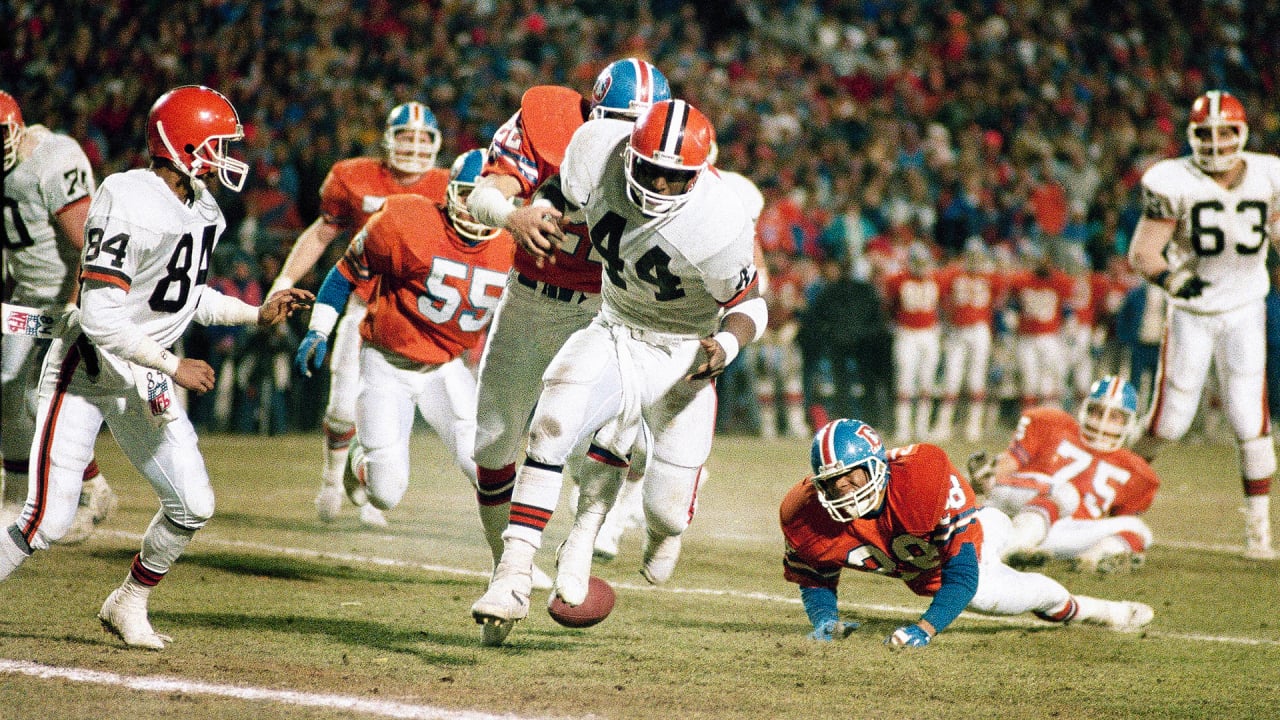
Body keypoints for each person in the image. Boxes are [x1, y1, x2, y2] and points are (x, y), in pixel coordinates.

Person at [0, 85, 313, 650]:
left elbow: (187, 297)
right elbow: (98, 317)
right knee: (47, 519)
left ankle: (128, 600)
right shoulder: (127, 195)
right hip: (88, 374)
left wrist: (255, 314)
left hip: (141, 379)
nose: (228, 158)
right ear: (184, 144)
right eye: (218, 145)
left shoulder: (203, 207)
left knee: (193, 504)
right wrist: (173, 363)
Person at [471, 99, 766, 646]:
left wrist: (726, 343)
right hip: (614, 323)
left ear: (698, 175)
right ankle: (513, 573)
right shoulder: (596, 147)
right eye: (649, 167)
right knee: (554, 421)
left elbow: (753, 305)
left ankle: (642, 533)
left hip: (681, 352)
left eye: (674, 176)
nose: (658, 183)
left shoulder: (720, 221)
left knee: (667, 512)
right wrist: (538, 209)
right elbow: (565, 195)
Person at [466, 59, 670, 587]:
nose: (622, 142)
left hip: (606, 311)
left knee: (612, 437)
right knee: (493, 439)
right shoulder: (548, 119)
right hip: (533, 300)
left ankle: (590, 536)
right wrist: (511, 215)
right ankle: (505, 566)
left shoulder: (664, 154)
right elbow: (481, 192)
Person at [295, 149, 514, 553]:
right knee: (385, 494)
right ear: (450, 194)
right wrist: (319, 330)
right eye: (468, 194)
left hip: (447, 369)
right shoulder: (405, 220)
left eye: (489, 197)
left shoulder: (517, 243)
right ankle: (359, 459)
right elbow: (344, 274)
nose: (476, 207)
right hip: (387, 364)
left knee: (486, 466)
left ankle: (514, 560)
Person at [781, 418, 1154, 647]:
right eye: (833, 483)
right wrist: (824, 619)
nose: (845, 490)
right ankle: (1033, 545)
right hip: (931, 571)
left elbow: (961, 576)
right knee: (1033, 583)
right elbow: (816, 571)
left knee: (1041, 591)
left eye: (853, 477)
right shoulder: (804, 512)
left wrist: (925, 628)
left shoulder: (920, 476)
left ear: (878, 466)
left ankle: (1105, 611)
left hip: (968, 553)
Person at [269, 101, 448, 528]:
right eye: (406, 136)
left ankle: (371, 489)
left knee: (394, 408)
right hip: (363, 305)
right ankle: (333, 478)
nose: (414, 146)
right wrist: (284, 278)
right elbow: (320, 233)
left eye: (423, 138)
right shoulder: (355, 177)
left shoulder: (449, 185)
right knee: (342, 409)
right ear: (388, 138)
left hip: (419, 317)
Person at [1128, 90, 1279, 560]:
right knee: (1169, 422)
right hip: (1192, 311)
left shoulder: (1270, 174)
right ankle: (1107, 495)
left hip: (1246, 308)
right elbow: (1142, 253)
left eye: (1225, 131)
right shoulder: (1172, 179)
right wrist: (1173, 280)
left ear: (1243, 133)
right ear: (1192, 136)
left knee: (1248, 418)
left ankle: (1259, 531)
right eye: (1206, 133)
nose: (1216, 142)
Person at [0, 89, 117, 543]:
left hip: (60, 300)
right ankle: (13, 493)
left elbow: (87, 244)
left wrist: (76, 306)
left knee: (36, 397)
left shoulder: (51, 160)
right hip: (26, 302)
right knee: (8, 391)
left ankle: (92, 488)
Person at [968, 376, 1160, 573]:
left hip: (1063, 533)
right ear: (1085, 409)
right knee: (1066, 494)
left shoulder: (1137, 471)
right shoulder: (1051, 424)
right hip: (1020, 508)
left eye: (1114, 417)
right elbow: (1010, 463)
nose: (1102, 423)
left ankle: (1094, 560)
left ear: (1129, 423)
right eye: (1097, 412)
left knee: (1139, 528)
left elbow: (1117, 520)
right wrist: (989, 474)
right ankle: (1007, 550)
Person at [933, 237, 1002, 441]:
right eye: (971, 255)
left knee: (976, 378)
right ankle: (944, 425)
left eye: (978, 255)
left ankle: (973, 426)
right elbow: (942, 297)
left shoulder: (991, 275)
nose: (974, 259)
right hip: (958, 329)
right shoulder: (954, 273)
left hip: (979, 329)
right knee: (952, 379)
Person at [883, 242, 942, 442]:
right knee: (905, 379)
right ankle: (903, 427)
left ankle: (922, 427)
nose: (920, 265)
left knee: (926, 381)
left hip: (929, 333)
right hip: (906, 332)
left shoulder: (937, 279)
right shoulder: (898, 280)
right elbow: (889, 305)